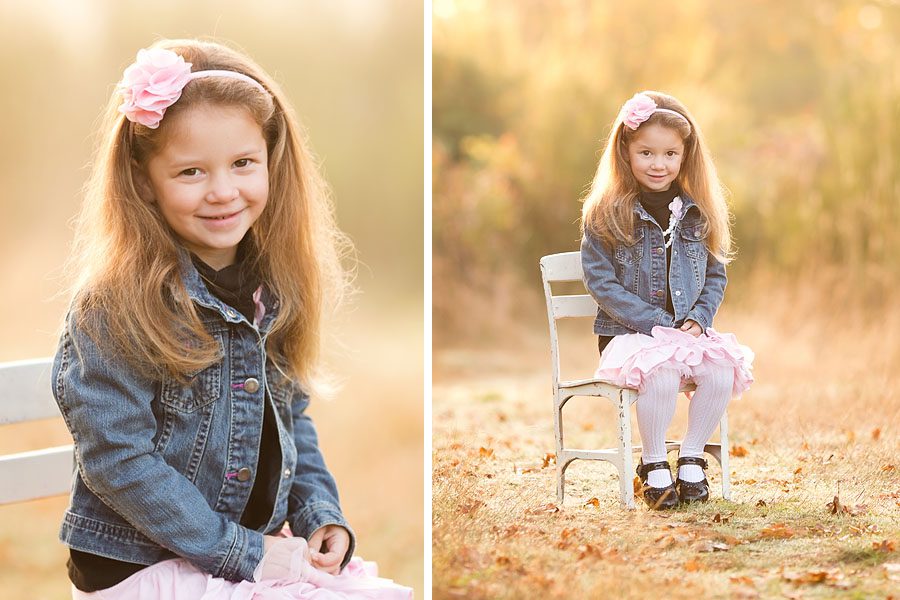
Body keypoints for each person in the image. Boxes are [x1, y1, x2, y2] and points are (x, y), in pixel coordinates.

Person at [51, 39, 411, 599]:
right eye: (191, 171)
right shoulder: (115, 304)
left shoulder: (273, 286)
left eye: (243, 163)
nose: (223, 192)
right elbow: (117, 459)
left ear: (270, 161)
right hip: (141, 569)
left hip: (241, 555)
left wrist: (320, 516)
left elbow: (290, 418)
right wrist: (250, 552)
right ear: (144, 181)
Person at [580, 91, 754, 510]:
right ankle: (654, 464)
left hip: (684, 332)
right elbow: (600, 281)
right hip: (631, 334)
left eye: (669, 154)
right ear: (626, 151)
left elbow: (716, 274)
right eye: (646, 153)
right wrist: (655, 321)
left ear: (684, 156)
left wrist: (698, 317)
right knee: (659, 372)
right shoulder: (606, 212)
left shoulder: (697, 212)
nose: (658, 164)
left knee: (719, 370)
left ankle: (692, 459)